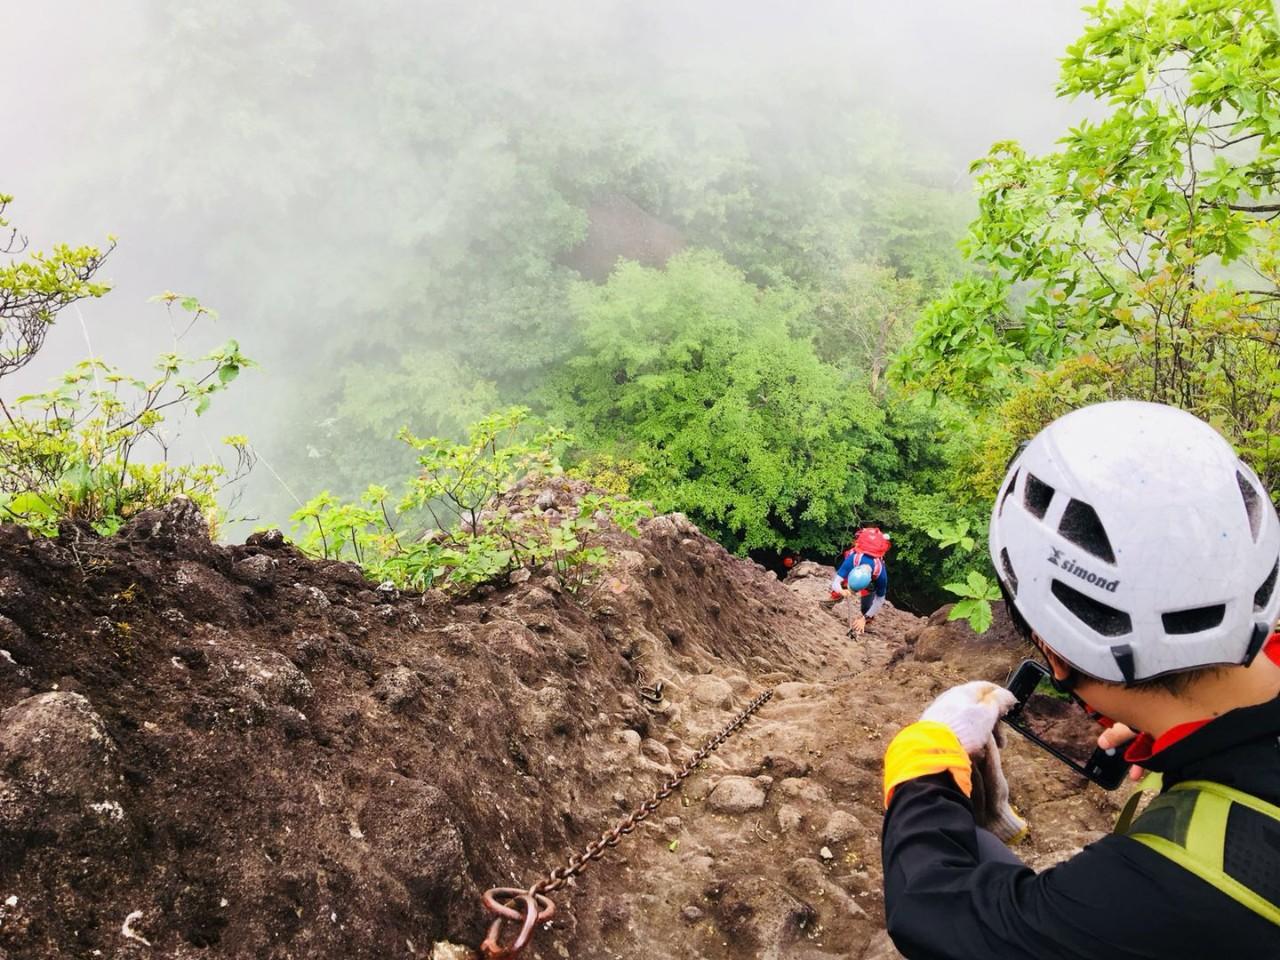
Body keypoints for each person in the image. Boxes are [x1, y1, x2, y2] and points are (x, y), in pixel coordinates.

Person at [880, 401, 1280, 958]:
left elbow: (934, 911)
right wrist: (1181, 746)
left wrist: (924, 758)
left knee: (978, 850)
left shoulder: (1166, 890)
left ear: (1055, 655)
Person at [828, 527, 891, 634]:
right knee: (841, 586)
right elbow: (836, 581)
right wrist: (840, 591)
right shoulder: (852, 559)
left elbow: (880, 599)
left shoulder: (880, 574)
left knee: (867, 605)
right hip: (855, 568)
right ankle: (833, 599)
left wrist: (864, 618)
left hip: (871, 579)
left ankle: (867, 619)